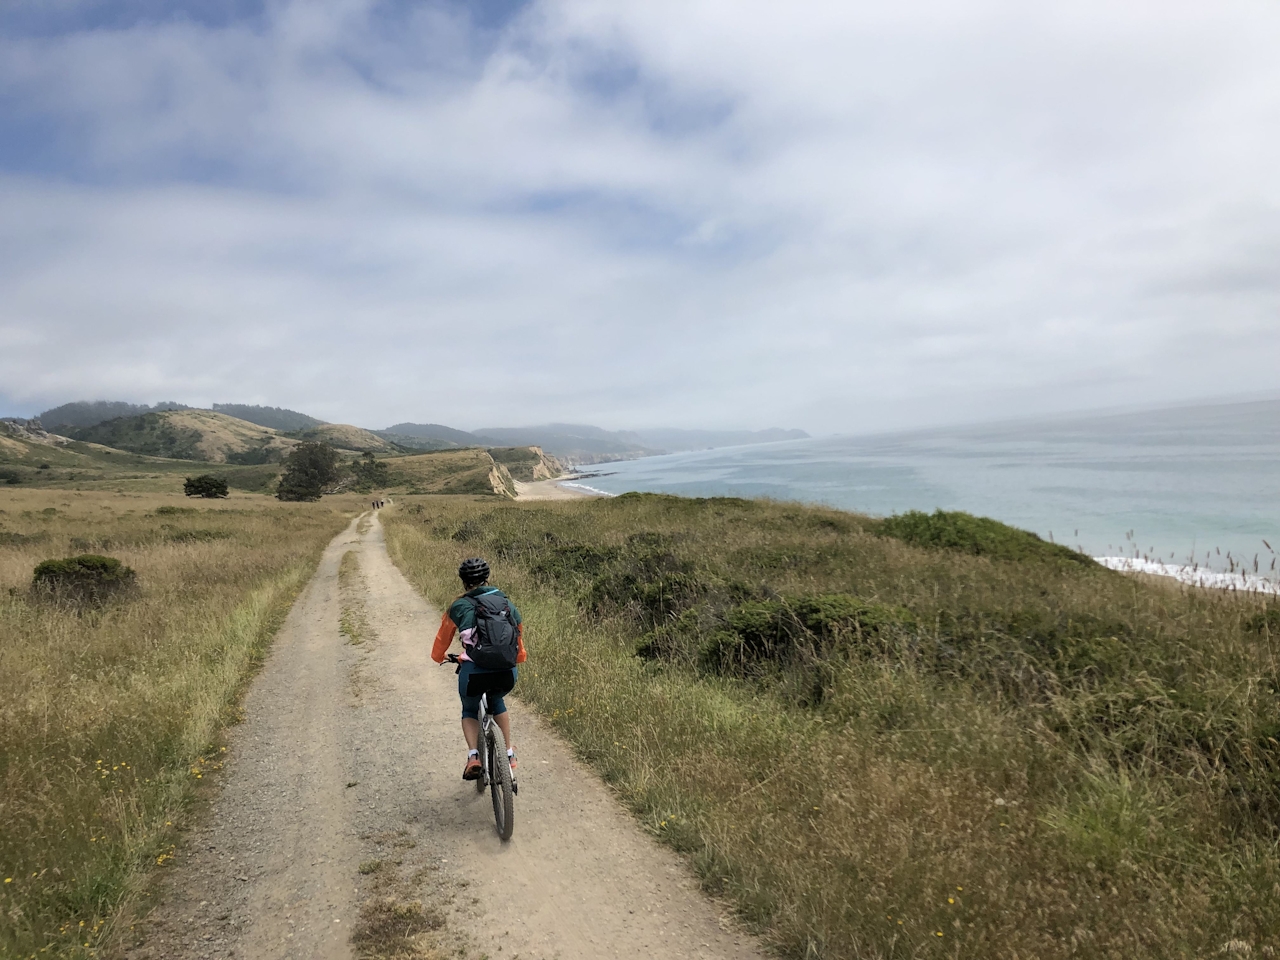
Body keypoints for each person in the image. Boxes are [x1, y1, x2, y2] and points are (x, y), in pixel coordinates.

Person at [431, 557, 526, 780]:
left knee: (469, 709)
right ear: (487, 579)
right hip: (507, 672)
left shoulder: (459, 606)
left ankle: (473, 756)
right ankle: (509, 754)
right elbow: (518, 640)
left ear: (464, 582)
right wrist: (518, 658)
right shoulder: (506, 603)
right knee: (498, 701)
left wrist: (439, 657)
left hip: (474, 673)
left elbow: (442, 640)